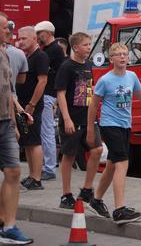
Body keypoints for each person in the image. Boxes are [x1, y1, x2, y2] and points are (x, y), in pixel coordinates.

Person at [86, 42, 141, 225]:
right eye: (119, 55)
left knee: (112, 165)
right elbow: (93, 105)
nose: (123, 57)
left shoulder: (131, 77)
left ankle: (96, 199)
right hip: (109, 125)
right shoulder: (105, 80)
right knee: (123, 163)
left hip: (125, 125)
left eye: (125, 54)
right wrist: (91, 130)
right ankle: (119, 209)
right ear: (111, 59)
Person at [55, 32, 104, 212]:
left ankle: (87, 189)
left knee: (97, 149)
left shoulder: (89, 65)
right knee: (69, 155)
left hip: (88, 118)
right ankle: (66, 194)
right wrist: (66, 119)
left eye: (90, 44)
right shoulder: (67, 67)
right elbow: (60, 93)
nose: (89, 48)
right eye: (86, 45)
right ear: (75, 47)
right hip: (72, 119)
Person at [0, 14, 33, 244]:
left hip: (5, 122)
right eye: (4, 27)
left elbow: (9, 91)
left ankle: (8, 227)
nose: (9, 30)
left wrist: (16, 117)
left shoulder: (5, 53)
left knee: (13, 172)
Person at [16, 26, 49, 191]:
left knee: (34, 141)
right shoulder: (27, 56)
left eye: (24, 39)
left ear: (34, 39)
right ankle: (31, 175)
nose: (20, 42)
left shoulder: (40, 56)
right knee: (28, 142)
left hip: (32, 106)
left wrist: (32, 105)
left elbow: (42, 81)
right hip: (22, 105)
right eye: (19, 39)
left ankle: (37, 178)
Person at [35, 21, 65, 182]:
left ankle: (49, 167)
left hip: (48, 95)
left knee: (46, 131)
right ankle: (47, 165)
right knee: (45, 131)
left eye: (40, 33)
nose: (38, 36)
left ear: (47, 33)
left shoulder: (52, 50)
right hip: (48, 95)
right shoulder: (51, 49)